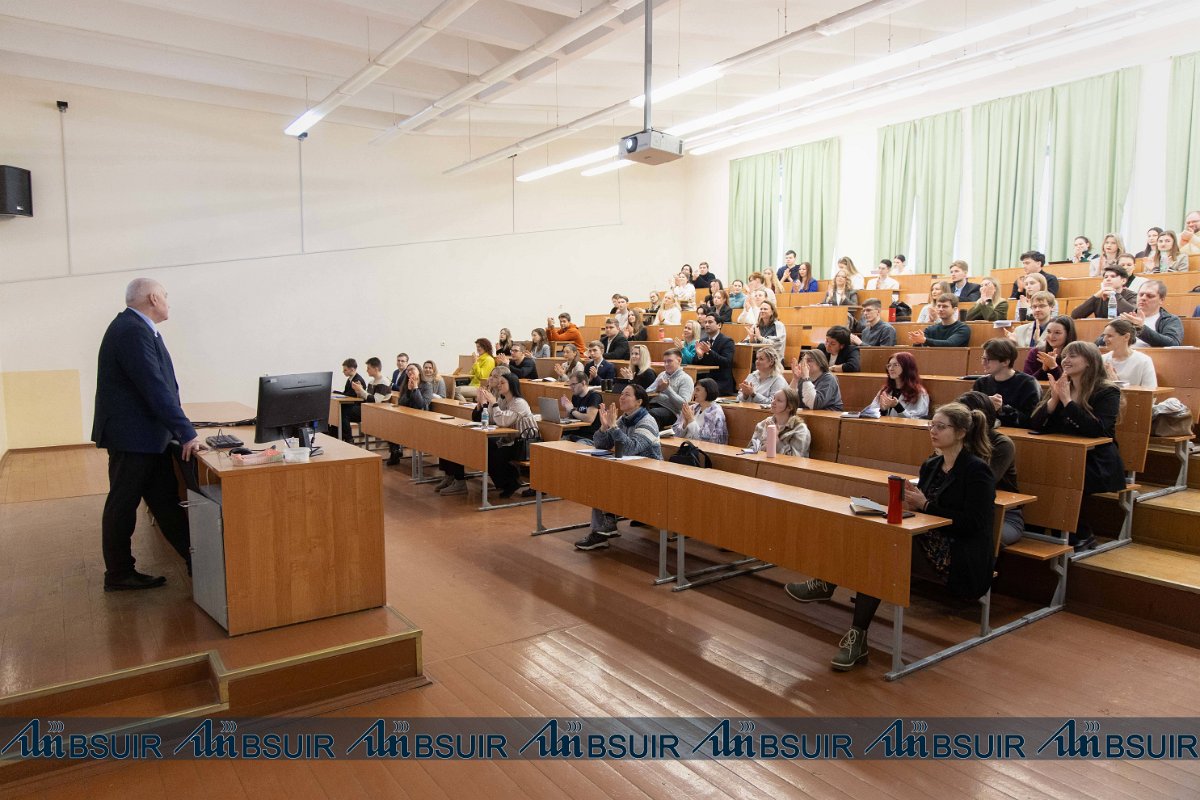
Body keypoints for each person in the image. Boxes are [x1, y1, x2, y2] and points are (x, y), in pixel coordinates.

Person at [784, 402, 995, 671]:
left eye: (941, 427)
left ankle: (834, 597)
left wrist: (926, 505)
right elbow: (921, 512)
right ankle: (853, 632)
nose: (933, 431)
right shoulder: (931, 465)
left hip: (959, 552)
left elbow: (974, 524)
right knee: (870, 535)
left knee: (879, 553)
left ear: (961, 432)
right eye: (932, 425)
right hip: (925, 537)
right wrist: (905, 505)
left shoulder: (977, 471)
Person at [93, 278, 203, 591]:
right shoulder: (131, 330)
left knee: (165, 501)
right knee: (123, 504)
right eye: (165, 296)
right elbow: (153, 386)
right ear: (153, 298)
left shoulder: (138, 327)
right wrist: (186, 431)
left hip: (147, 436)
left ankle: (198, 561)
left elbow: (160, 385)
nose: (168, 301)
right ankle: (118, 573)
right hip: (133, 437)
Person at [1030, 341, 1126, 550]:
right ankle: (1038, 527)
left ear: (1090, 361)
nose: (1066, 360)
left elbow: (1097, 429)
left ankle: (1079, 534)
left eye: (1073, 356)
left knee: (1064, 475)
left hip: (1097, 460)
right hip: (1064, 454)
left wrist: (1068, 402)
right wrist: (1054, 400)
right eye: (1065, 356)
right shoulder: (1063, 384)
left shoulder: (1107, 391)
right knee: (1036, 470)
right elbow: (1035, 424)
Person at [574, 384, 663, 551]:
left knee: (603, 482)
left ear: (639, 401)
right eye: (621, 394)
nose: (621, 397)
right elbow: (601, 444)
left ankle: (606, 525)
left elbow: (630, 448)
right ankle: (605, 527)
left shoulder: (647, 421)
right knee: (599, 479)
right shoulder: (624, 419)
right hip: (630, 471)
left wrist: (614, 427)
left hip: (650, 475)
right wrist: (604, 427)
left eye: (627, 394)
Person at [958, 391, 1024, 547]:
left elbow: (983, 484)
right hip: (962, 510)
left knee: (973, 540)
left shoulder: (1002, 444)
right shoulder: (954, 438)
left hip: (1004, 515)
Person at [972, 338, 1040, 429]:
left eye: (988, 359)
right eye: (983, 358)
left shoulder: (1028, 384)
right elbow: (971, 414)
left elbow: (1032, 420)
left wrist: (1002, 409)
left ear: (1005, 362)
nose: (983, 363)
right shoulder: (980, 383)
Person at [861, 352, 929, 418]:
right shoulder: (885, 390)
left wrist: (898, 406)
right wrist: (883, 410)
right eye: (889, 365)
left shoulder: (919, 392)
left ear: (907, 367)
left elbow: (918, 419)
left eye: (895, 365)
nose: (891, 369)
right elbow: (871, 413)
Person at [747, 387, 811, 455]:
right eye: (773, 398)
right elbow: (750, 449)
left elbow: (796, 457)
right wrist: (764, 448)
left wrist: (775, 440)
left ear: (790, 407)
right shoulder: (764, 423)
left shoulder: (800, 429)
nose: (773, 402)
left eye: (779, 400)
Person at [1120, 280, 1183, 348]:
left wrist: (1141, 328)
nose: (1143, 298)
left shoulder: (1170, 320)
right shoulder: (1125, 317)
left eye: (1150, 296)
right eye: (1141, 295)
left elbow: (1173, 344)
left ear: (1161, 300)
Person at [647, 348, 694, 429]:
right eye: (664, 362)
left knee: (651, 414)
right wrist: (657, 389)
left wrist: (667, 389)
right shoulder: (662, 375)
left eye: (669, 361)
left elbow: (683, 405)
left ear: (679, 361)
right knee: (634, 410)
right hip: (654, 405)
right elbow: (646, 392)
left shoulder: (686, 379)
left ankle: (649, 436)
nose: (666, 364)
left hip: (672, 412)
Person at [1102, 319, 1158, 388]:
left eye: (1110, 336)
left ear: (1126, 337)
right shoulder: (1102, 359)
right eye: (1104, 335)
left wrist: (1116, 383)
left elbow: (1150, 390)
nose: (1104, 339)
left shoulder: (1144, 361)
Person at [1070, 262, 1136, 320]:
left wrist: (1115, 295)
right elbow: (1075, 316)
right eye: (1106, 277)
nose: (1108, 279)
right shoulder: (1098, 297)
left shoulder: (1132, 295)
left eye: (1113, 276)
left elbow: (1133, 313)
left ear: (1123, 280)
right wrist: (1095, 297)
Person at [672, 378, 729, 444]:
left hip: (702, 448)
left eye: (698, 390)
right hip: (684, 445)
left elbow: (706, 440)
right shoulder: (692, 408)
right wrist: (685, 423)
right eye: (694, 390)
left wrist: (691, 420)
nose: (694, 393)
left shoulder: (715, 412)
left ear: (708, 391)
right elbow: (675, 434)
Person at [693, 314, 736, 396]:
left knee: (703, 391)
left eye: (710, 322)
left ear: (719, 325)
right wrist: (700, 356)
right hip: (705, 379)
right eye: (705, 322)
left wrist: (709, 351)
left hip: (721, 381)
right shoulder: (703, 340)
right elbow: (694, 363)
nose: (706, 325)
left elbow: (726, 362)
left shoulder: (727, 341)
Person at [1022, 315, 1076, 381]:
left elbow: (1071, 383)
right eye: (1049, 332)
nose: (1051, 336)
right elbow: (1025, 382)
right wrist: (1043, 370)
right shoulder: (1036, 353)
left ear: (1068, 334)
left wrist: (1054, 367)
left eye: (1057, 333)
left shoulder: (1077, 355)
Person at [559, 371, 602, 440]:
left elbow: (589, 419)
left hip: (589, 437)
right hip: (574, 433)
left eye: (573, 384)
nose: (571, 387)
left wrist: (572, 410)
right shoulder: (575, 397)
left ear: (583, 383)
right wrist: (567, 407)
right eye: (570, 385)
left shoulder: (594, 396)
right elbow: (572, 417)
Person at [336, 358, 368, 441]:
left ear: (352, 369)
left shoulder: (357, 380)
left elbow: (352, 396)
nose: (343, 372)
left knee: (342, 413)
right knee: (336, 410)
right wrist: (336, 392)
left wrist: (339, 394)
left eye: (345, 370)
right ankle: (335, 435)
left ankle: (349, 438)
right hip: (352, 406)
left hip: (358, 407)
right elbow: (346, 393)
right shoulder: (350, 379)